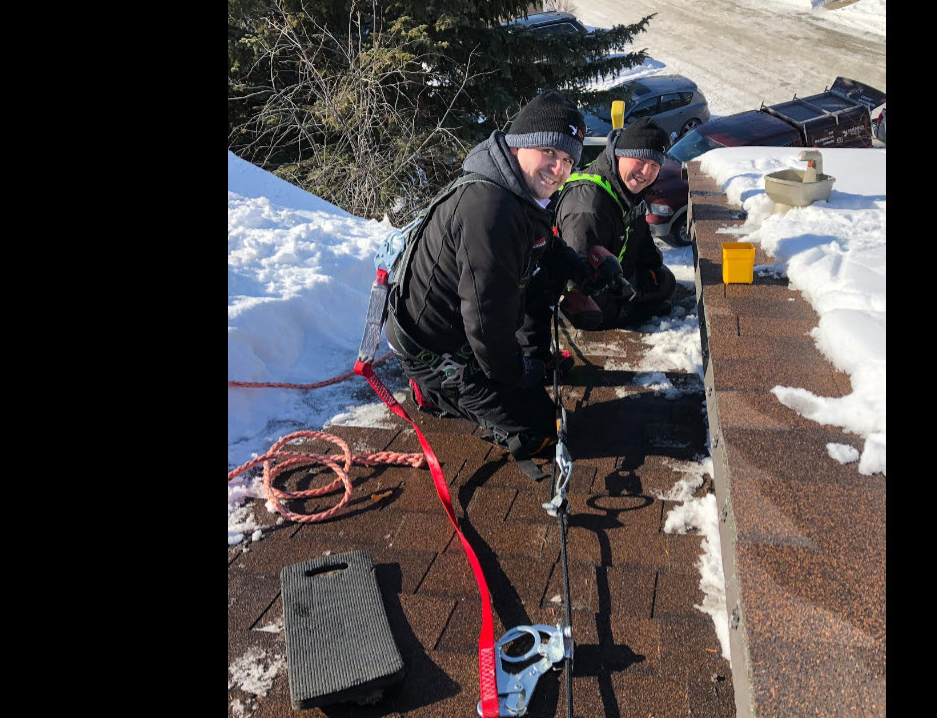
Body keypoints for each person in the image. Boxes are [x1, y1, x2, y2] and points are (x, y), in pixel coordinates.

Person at [386, 91, 622, 473]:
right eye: (549, 152)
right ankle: (434, 391)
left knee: (543, 280)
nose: (558, 169)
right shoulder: (490, 211)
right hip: (439, 352)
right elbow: (487, 320)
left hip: (467, 330)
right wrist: (513, 374)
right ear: (519, 145)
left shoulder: (518, 192)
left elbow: (544, 246)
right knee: (542, 431)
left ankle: (520, 365)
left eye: (567, 159)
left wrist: (581, 269)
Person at [554, 116, 677, 329]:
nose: (646, 172)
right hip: (588, 294)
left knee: (666, 281)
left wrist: (651, 267)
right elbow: (577, 287)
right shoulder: (588, 207)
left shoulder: (627, 188)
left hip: (618, 275)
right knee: (608, 313)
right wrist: (625, 312)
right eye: (640, 160)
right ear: (620, 155)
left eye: (654, 164)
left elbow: (640, 230)